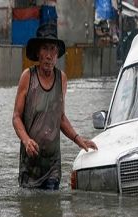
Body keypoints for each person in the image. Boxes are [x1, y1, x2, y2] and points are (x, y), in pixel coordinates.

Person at [12, 23, 98, 190]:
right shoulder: (28, 77)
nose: (49, 55)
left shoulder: (62, 79)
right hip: (30, 165)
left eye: (53, 49)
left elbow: (60, 117)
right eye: (45, 49)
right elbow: (16, 117)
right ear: (38, 52)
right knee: (31, 211)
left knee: (52, 207)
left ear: (58, 54)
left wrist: (79, 140)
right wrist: (26, 140)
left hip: (53, 165)